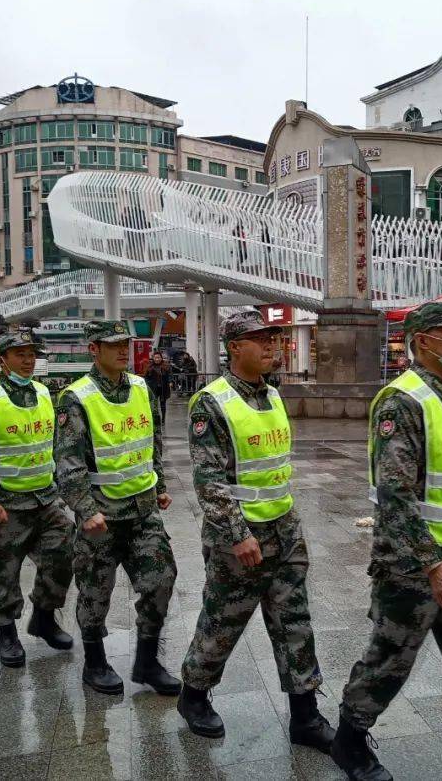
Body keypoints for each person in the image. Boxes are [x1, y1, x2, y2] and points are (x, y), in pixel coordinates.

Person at [332, 303, 442, 781]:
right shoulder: (402, 401)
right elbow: (395, 495)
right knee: (388, 663)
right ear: (423, 340)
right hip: (412, 564)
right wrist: (433, 564)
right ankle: (349, 741)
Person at [178, 310, 335, 754]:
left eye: (273, 339)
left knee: (294, 622)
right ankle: (193, 694)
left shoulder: (272, 394)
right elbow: (208, 481)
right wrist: (237, 533)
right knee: (223, 620)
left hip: (284, 529)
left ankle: (305, 715)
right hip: (240, 537)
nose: (271, 347)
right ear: (234, 348)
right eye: (259, 340)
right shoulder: (212, 402)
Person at [55, 320, 180, 696]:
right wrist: (84, 509)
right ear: (93, 349)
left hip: (143, 511)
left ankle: (146, 662)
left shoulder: (142, 387)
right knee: (95, 591)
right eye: (112, 345)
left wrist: (158, 481)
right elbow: (68, 462)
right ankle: (94, 663)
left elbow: (152, 439)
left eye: (125, 343)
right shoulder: (76, 397)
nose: (122, 350)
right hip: (101, 516)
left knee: (161, 580)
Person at [0, 327, 75, 667]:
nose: (28, 360)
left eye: (31, 354)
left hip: (45, 499)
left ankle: (43, 616)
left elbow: (54, 445)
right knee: (3, 570)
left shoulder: (43, 393)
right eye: (19, 354)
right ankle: (6, 633)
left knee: (64, 552)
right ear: (2, 360)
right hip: (6, 503)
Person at [144, 351, 172, 426]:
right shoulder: (149, 367)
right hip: (153, 389)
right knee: (154, 405)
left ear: (161, 358)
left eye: (158, 357)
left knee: (163, 404)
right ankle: (155, 419)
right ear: (153, 358)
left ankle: (163, 419)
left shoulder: (165, 366)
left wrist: (170, 382)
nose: (157, 359)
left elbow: (169, 376)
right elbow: (146, 378)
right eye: (155, 357)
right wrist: (148, 385)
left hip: (163, 388)